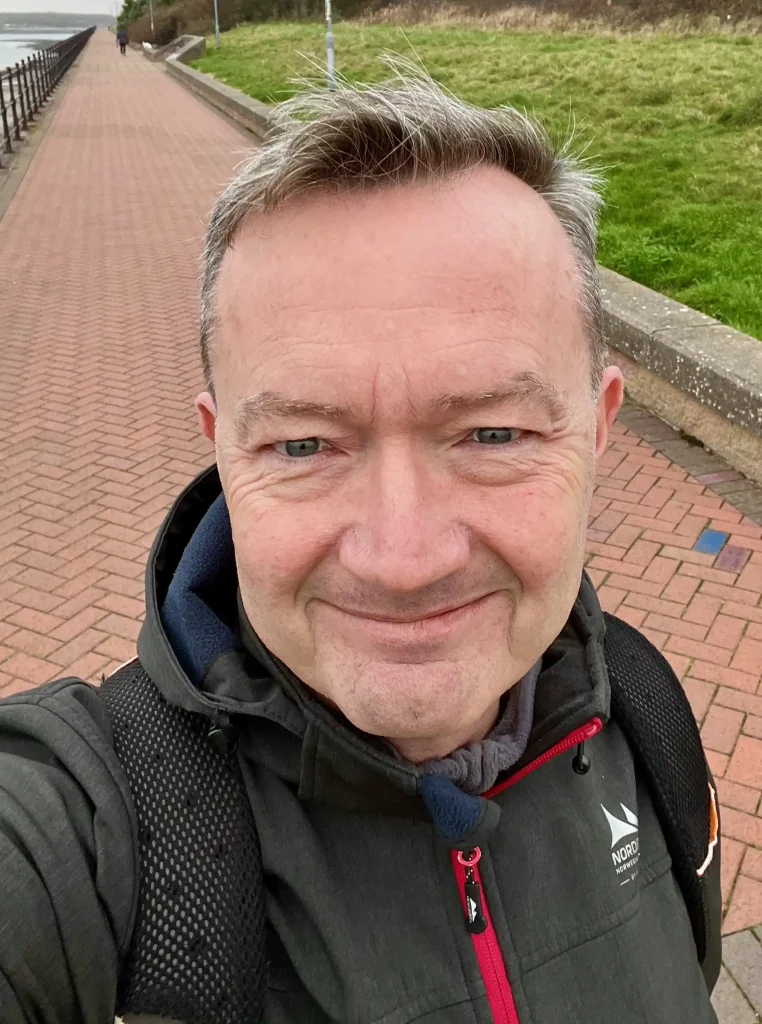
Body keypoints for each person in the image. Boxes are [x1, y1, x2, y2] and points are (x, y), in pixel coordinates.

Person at [0, 71, 721, 1024]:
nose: (404, 558)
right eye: (303, 445)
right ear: (221, 445)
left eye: (493, 434)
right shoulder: (83, 839)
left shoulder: (646, 715)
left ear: (598, 427)